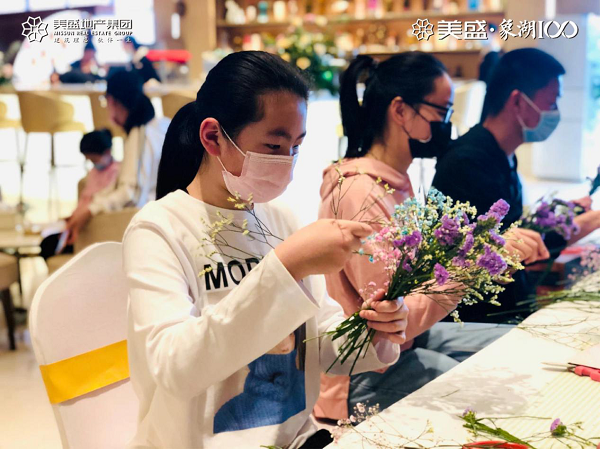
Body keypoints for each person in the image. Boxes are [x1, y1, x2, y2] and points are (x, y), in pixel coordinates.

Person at [123, 51, 409, 449]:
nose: (287, 163)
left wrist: (375, 331)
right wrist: (286, 267)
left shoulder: (281, 218)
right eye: (273, 145)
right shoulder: (158, 230)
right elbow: (176, 368)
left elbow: (319, 344)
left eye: (296, 146)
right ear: (213, 137)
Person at [315, 53, 550, 421]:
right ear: (400, 110)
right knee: (496, 393)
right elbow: (396, 321)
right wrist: (479, 262)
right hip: (364, 370)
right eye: (442, 111)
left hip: (406, 346)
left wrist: (485, 251)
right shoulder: (360, 193)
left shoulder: (393, 183)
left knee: (522, 348)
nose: (447, 125)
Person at [433, 48, 599, 323]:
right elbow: (514, 251)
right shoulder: (469, 162)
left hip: (508, 307)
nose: (555, 113)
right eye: (551, 102)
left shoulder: (501, 154)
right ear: (518, 102)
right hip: (479, 319)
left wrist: (564, 214)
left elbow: (515, 232)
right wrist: (594, 219)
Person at [66, 70, 169, 244]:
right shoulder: (160, 126)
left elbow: (131, 195)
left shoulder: (141, 135)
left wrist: (91, 210)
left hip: (147, 227)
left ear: (112, 101)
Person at [40, 129, 119, 260]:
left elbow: (100, 203)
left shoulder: (116, 173)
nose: (92, 163)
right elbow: (85, 199)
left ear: (107, 152)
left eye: (93, 159)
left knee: (49, 245)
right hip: (76, 223)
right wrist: (73, 216)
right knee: (47, 243)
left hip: (90, 227)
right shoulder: (93, 173)